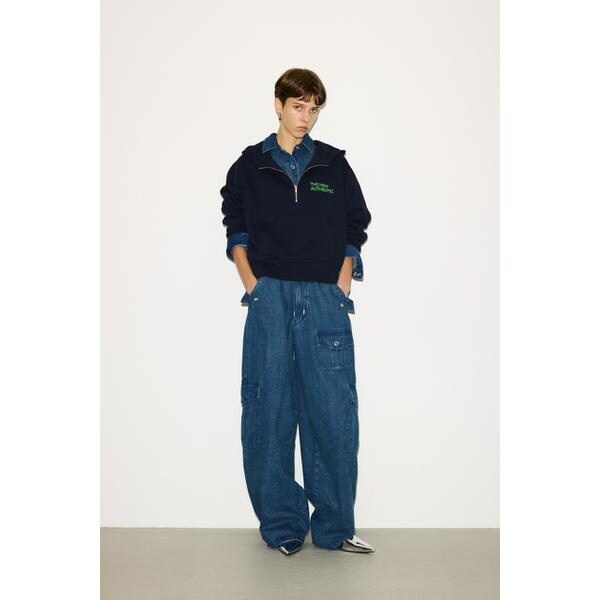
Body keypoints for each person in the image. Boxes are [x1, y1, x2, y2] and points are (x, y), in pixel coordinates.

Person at [220, 68, 374, 555]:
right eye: (298, 107)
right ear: (278, 105)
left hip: (325, 299)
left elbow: (355, 223)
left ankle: (334, 528)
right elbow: (235, 224)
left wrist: (342, 277)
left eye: (314, 109)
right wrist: (252, 282)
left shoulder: (333, 165)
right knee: (268, 411)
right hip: (269, 298)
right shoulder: (250, 165)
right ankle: (284, 527)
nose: (306, 118)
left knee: (332, 412)